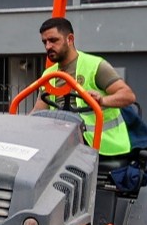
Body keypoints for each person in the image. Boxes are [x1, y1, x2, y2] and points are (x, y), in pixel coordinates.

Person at [33, 16, 136, 157]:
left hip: (103, 145)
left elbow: (128, 95)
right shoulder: (49, 74)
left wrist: (102, 101)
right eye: (44, 42)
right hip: (64, 144)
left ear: (70, 39)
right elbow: (37, 113)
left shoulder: (94, 66)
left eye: (53, 40)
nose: (48, 46)